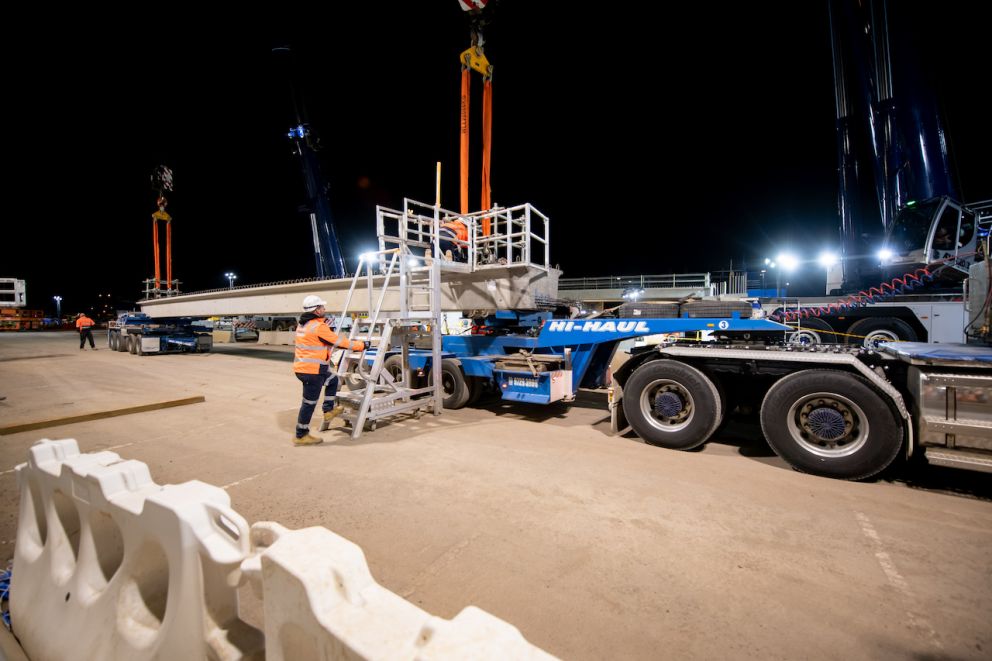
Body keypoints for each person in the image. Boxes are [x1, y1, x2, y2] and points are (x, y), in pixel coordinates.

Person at [293, 295, 368, 445]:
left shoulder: (303, 325)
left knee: (333, 380)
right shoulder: (318, 326)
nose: (324, 309)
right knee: (309, 403)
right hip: (312, 371)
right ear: (316, 310)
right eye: (322, 307)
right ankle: (301, 435)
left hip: (304, 368)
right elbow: (339, 342)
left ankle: (328, 411)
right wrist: (362, 346)